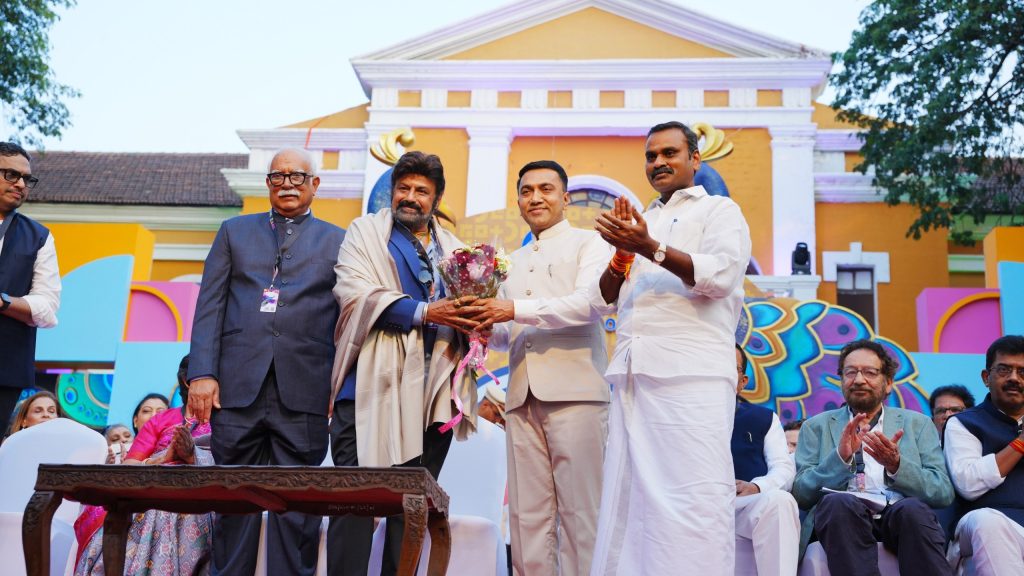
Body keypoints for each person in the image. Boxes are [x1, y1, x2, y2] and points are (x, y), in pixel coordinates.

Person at [588, 121, 752, 575]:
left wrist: (649, 247)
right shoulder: (641, 219)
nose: (658, 162)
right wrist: (624, 254)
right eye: (650, 155)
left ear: (695, 159)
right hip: (633, 375)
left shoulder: (719, 210)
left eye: (669, 153)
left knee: (695, 499)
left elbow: (721, 276)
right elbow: (604, 298)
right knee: (630, 504)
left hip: (692, 376)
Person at [187, 148, 346, 576]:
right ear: (268, 184)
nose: (287, 184)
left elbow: (346, 318)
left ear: (315, 184)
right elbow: (210, 305)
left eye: (298, 177)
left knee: (297, 510)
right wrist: (202, 373)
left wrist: (338, 385)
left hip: (307, 388)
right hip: (236, 388)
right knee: (233, 503)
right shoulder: (234, 231)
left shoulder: (339, 240)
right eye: (278, 176)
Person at [330, 150, 478, 576]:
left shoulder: (456, 250)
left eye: (422, 191)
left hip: (433, 395)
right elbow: (354, 292)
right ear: (393, 192)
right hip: (368, 388)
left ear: (436, 199)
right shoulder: (365, 234)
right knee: (354, 504)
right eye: (404, 188)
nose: (411, 197)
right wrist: (427, 313)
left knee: (411, 510)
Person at [467, 159, 611, 576]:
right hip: (520, 398)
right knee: (526, 517)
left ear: (565, 198)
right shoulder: (508, 261)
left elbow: (590, 304)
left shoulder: (589, 243)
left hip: (577, 394)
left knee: (582, 513)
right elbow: (506, 334)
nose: (535, 197)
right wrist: (480, 327)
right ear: (518, 201)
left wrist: (512, 308)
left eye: (546, 189)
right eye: (527, 191)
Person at [792, 339, 953, 576]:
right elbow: (801, 494)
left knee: (912, 510)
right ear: (841, 380)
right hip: (842, 519)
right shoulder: (816, 426)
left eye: (869, 372)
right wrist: (840, 458)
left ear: (888, 383)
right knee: (838, 503)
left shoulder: (917, 424)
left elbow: (943, 492)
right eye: (850, 372)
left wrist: (896, 465)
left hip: (898, 515)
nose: (859, 380)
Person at [75, 355, 214, 576]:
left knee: (171, 511)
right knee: (135, 509)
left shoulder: (228, 421)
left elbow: (235, 466)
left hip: (204, 492)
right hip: (151, 488)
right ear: (189, 381)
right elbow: (130, 467)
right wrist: (161, 459)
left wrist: (191, 456)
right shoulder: (161, 420)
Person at [943, 335, 1024, 574]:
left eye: (1022, 372)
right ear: (986, 377)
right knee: (987, 521)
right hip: (986, 523)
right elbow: (968, 484)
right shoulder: (964, 423)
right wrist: (1020, 443)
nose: (1014, 378)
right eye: (1004, 370)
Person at [0, 142, 61, 435]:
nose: (21, 184)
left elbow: (47, 309)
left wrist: (3, 302)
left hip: (4, 367)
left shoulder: (39, 236)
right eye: (11, 175)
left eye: (26, 178)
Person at [732, 345, 800, 575]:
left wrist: (756, 487)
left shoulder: (762, 418)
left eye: (729, 367)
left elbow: (783, 468)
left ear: (743, 381)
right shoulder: (679, 415)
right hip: (690, 504)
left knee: (780, 501)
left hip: (740, 506)